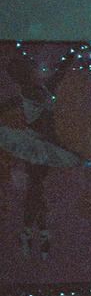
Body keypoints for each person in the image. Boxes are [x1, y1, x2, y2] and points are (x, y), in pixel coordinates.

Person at [0, 48, 86, 259]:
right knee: (36, 188)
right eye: (30, 69)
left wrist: (72, 53)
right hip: (37, 144)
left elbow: (58, 75)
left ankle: (34, 232)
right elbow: (58, 75)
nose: (34, 71)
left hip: (42, 144)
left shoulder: (34, 91)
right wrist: (72, 52)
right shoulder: (33, 91)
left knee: (36, 189)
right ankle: (35, 233)